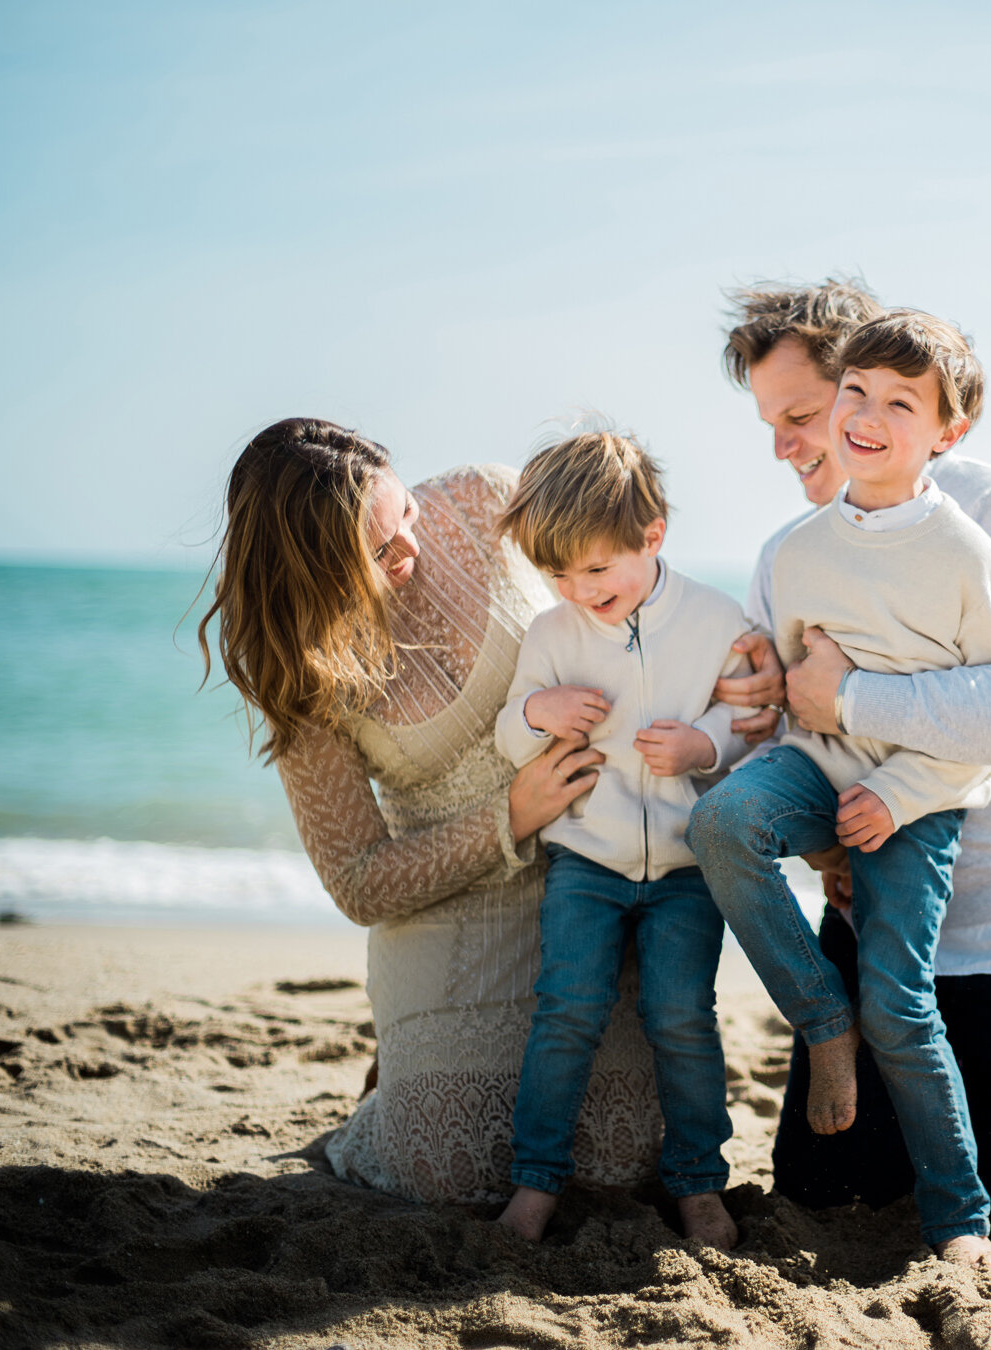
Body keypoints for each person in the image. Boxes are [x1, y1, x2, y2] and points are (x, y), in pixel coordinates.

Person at [714, 279, 991, 1258]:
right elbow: (794, 740)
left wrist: (852, 697)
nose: (788, 445)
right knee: (821, 1202)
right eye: (774, 424)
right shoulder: (794, 550)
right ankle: (840, 1041)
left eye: (804, 414)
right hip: (877, 920)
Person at [197, 417, 661, 1205]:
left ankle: (405, 1062)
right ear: (313, 569)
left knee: (623, 1159)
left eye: (405, 513)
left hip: (593, 878)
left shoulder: (486, 499)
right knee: (445, 1171)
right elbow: (358, 881)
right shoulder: (301, 664)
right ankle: (398, 1077)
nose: (410, 548)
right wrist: (509, 815)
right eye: (376, 553)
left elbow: (623, 588)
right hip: (454, 912)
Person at [688, 310, 991, 1270]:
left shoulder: (966, 557)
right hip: (818, 767)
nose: (867, 417)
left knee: (901, 1005)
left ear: (946, 432)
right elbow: (785, 692)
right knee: (723, 821)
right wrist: (751, 687)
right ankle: (819, 1019)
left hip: (919, 797)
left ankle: (962, 1222)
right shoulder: (795, 549)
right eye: (857, 395)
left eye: (900, 403)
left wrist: (903, 795)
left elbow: (986, 720)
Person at [490, 429, 754, 1248]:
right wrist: (540, 713)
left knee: (682, 1015)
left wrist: (702, 745)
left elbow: (752, 716)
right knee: (567, 1012)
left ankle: (700, 1187)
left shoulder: (716, 618)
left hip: (686, 867)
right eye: (557, 574)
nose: (576, 589)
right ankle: (534, 1186)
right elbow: (508, 730)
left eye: (596, 569)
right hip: (587, 861)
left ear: (653, 536)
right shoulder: (554, 633)